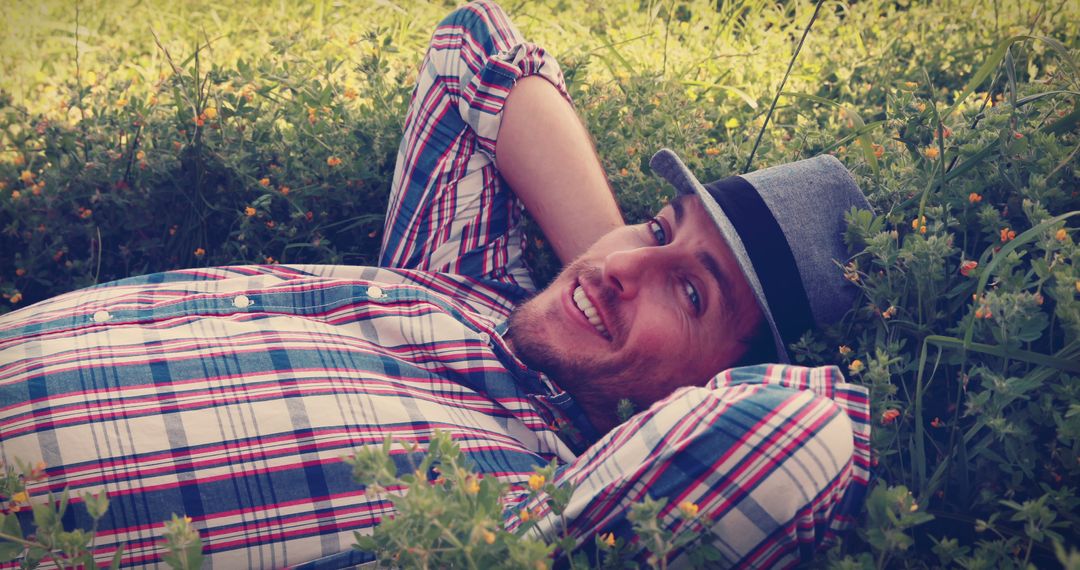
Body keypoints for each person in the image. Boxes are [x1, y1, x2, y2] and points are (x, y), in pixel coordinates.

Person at [0, 2, 870, 568]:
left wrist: (635, 386)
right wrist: (601, 275)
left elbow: (806, 435)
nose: (624, 267)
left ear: (723, 378)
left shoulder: (536, 515)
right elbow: (473, 45)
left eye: (692, 294)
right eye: (659, 223)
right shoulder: (472, 281)